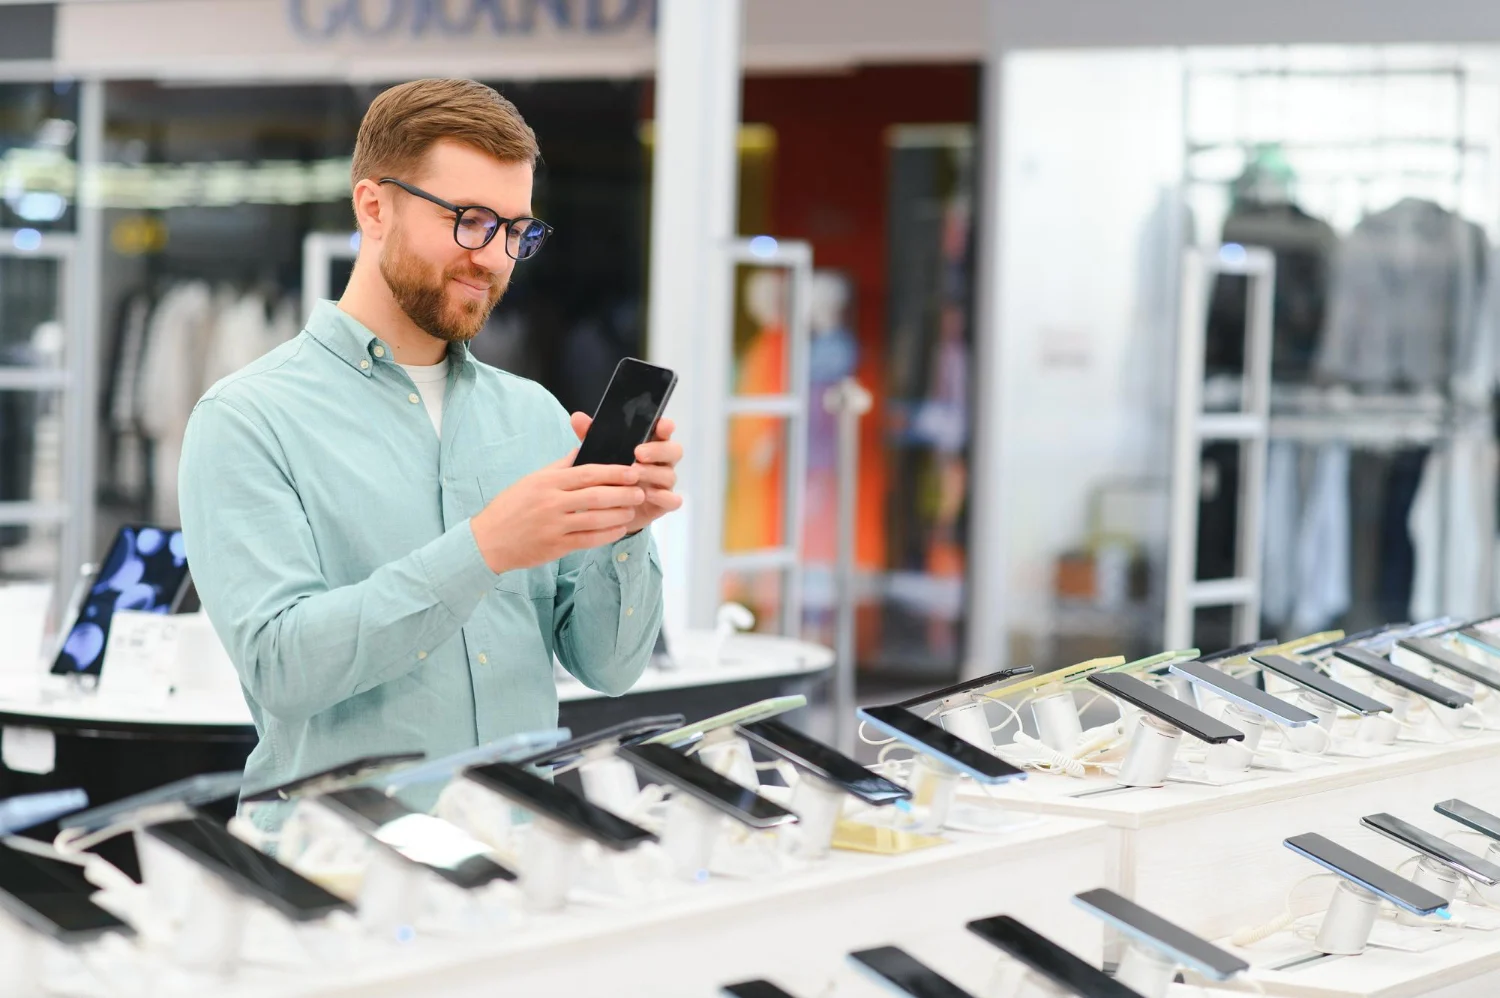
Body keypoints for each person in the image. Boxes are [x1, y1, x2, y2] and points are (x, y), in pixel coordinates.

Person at [179, 79, 681, 805]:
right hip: (341, 856)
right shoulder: (247, 418)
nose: (495, 258)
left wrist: (626, 532)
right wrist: (484, 548)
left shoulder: (534, 416)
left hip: (524, 846)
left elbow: (610, 668)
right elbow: (281, 668)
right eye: (470, 221)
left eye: (516, 232)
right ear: (373, 207)